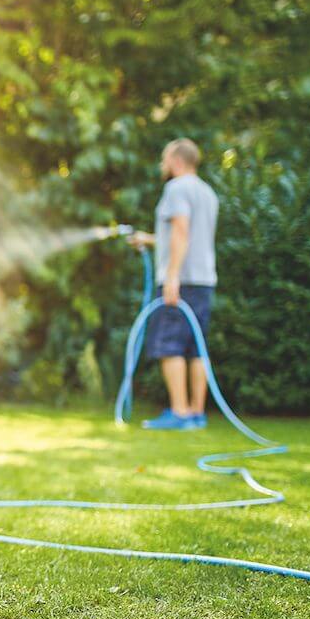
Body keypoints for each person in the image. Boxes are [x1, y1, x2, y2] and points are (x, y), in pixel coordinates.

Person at [127, 138, 218, 430]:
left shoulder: (176, 189)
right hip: (203, 280)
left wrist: (172, 276)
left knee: (170, 345)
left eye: (165, 158)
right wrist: (150, 239)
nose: (162, 164)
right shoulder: (207, 192)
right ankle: (195, 413)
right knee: (196, 348)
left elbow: (180, 230)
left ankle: (178, 413)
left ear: (177, 160)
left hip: (181, 280)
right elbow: (185, 234)